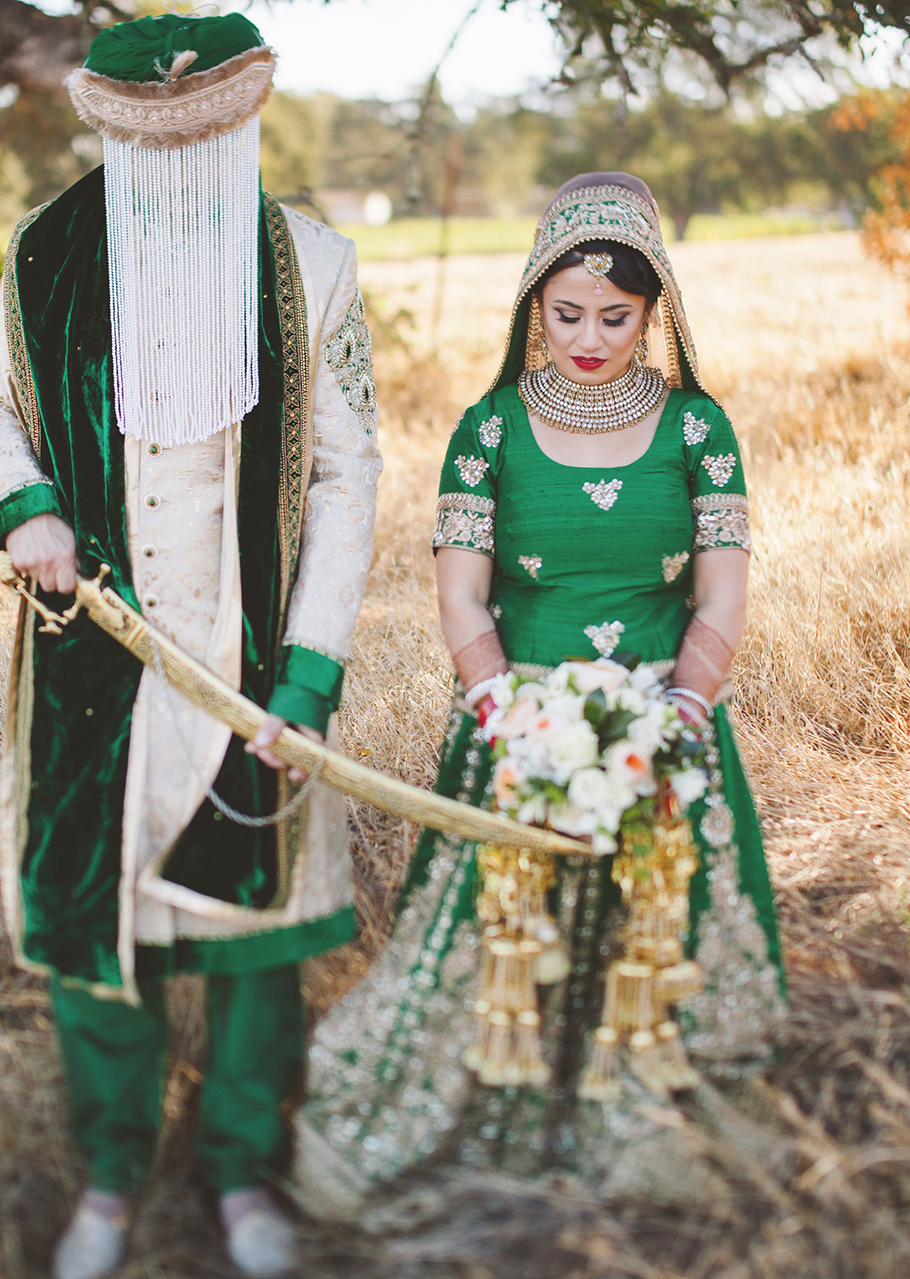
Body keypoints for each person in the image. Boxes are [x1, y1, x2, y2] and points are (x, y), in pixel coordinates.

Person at [0, 14, 381, 1279]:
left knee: (254, 935)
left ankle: (243, 1172)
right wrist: (25, 501)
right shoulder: (44, 254)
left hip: (252, 661)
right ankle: (107, 1174)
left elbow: (345, 482)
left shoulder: (310, 262)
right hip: (94, 660)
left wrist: (304, 679)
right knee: (101, 926)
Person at [291, 174, 785, 1220]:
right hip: (512, 731)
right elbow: (461, 596)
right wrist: (506, 712)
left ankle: (640, 1126)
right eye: (566, 315)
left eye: (615, 317)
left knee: (656, 941)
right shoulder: (488, 429)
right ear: (532, 309)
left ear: (654, 315)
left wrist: (677, 711)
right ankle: (486, 1114)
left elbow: (720, 598)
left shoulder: (698, 429)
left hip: (667, 731)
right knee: (492, 944)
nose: (590, 336)